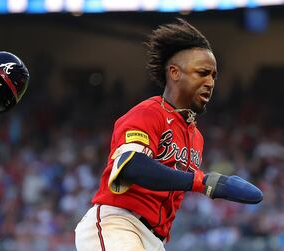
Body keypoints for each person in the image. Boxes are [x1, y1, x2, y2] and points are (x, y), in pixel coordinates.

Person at [75, 18, 263, 251]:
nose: (210, 82)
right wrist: (202, 182)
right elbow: (130, 165)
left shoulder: (196, 138)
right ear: (174, 72)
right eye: (202, 73)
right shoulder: (148, 113)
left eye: (213, 76)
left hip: (154, 240)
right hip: (119, 224)